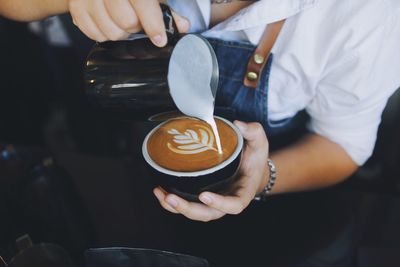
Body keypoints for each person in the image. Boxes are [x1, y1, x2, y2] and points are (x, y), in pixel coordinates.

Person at [1, 0, 400, 265]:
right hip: (149, 191)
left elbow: (343, 144)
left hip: (289, 216)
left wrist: (264, 177)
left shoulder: (364, 12)